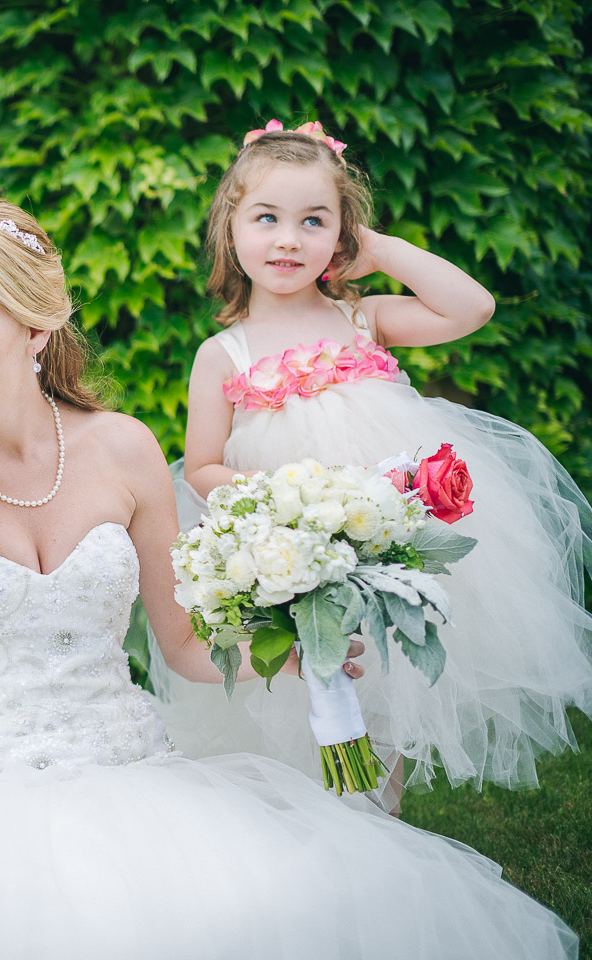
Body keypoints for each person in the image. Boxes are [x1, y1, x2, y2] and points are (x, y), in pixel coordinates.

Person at [0, 199, 577, 958]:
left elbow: (185, 650)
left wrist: (280, 655)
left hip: (143, 787)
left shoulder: (122, 452)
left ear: (38, 328)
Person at [159, 119, 592, 813]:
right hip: (291, 550)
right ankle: (313, 823)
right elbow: (201, 467)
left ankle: (380, 826)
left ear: (342, 236)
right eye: (266, 218)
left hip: (385, 542)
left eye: (315, 221)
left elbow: (472, 306)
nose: (289, 239)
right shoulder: (225, 355)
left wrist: (381, 251)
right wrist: (285, 504)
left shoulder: (363, 319)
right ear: (230, 230)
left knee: (384, 693)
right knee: (308, 697)